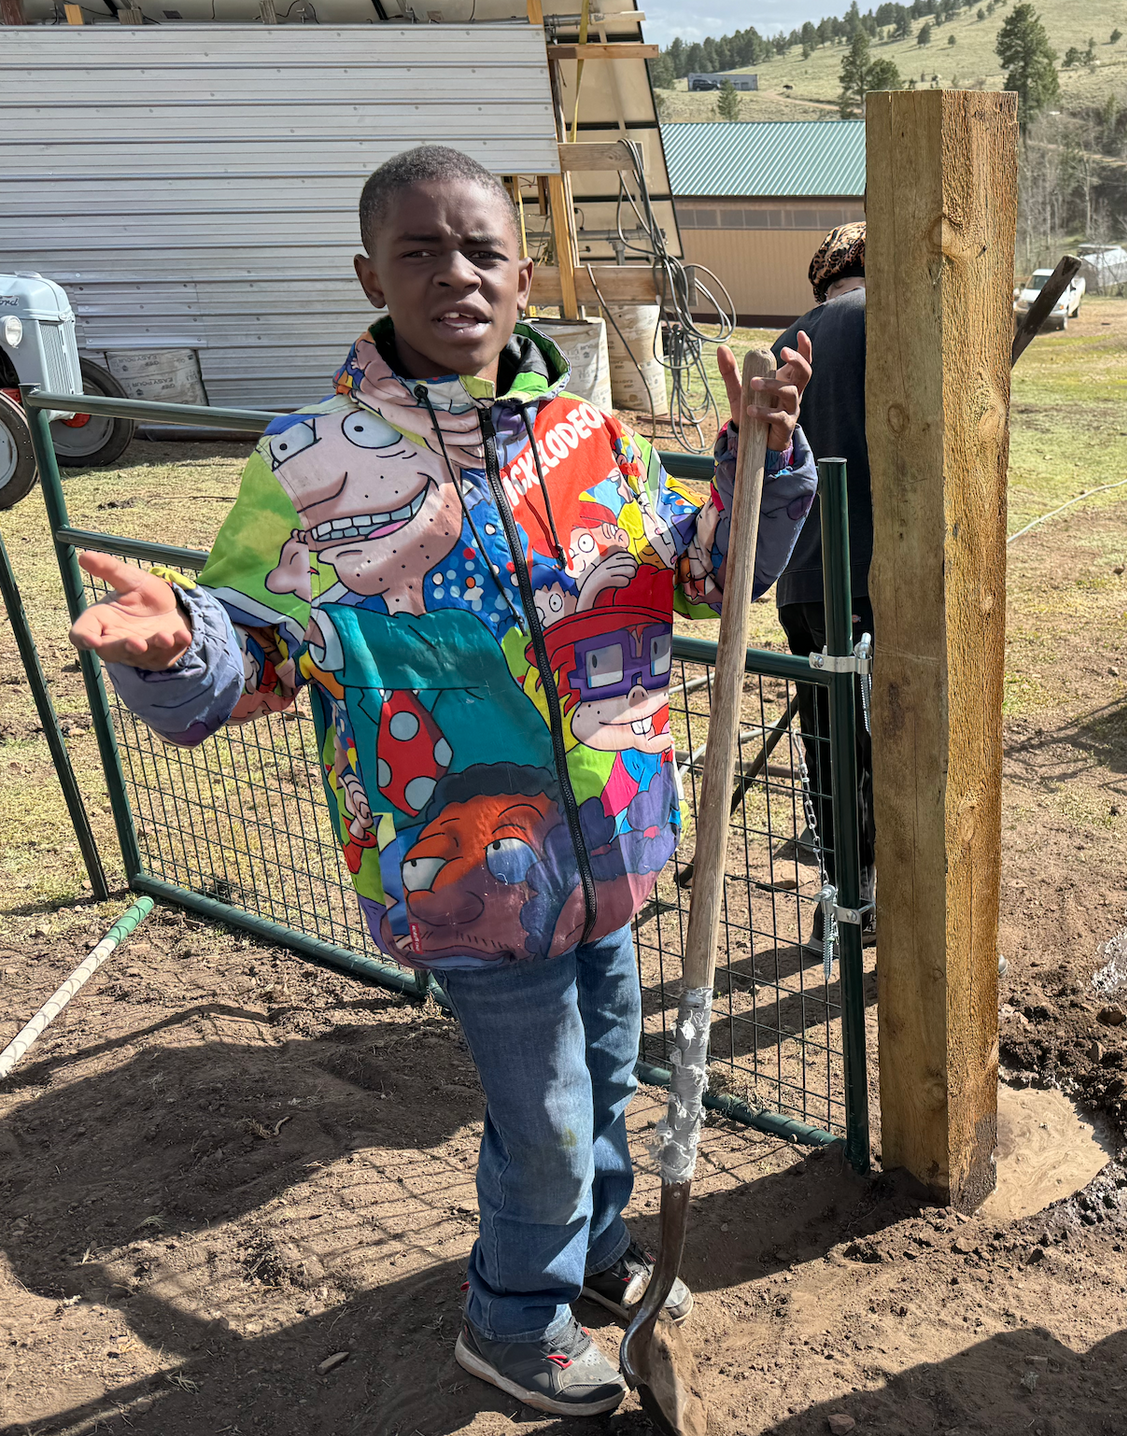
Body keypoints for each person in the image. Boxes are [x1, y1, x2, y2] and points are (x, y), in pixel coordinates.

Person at [66, 145, 818, 1419]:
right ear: (372, 274)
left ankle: (592, 1256)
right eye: (420, 250)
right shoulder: (310, 463)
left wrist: (762, 463)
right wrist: (179, 646)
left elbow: (702, 575)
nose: (454, 272)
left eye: (480, 249)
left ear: (525, 275)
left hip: (617, 843)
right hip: (470, 870)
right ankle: (510, 1323)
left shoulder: (594, 437)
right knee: (547, 1110)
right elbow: (257, 644)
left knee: (616, 1058)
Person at [772, 223, 875, 946]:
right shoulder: (888, 322)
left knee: (829, 746)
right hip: (877, 575)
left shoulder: (790, 343)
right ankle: (885, 902)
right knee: (888, 743)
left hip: (802, 583)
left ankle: (841, 901)